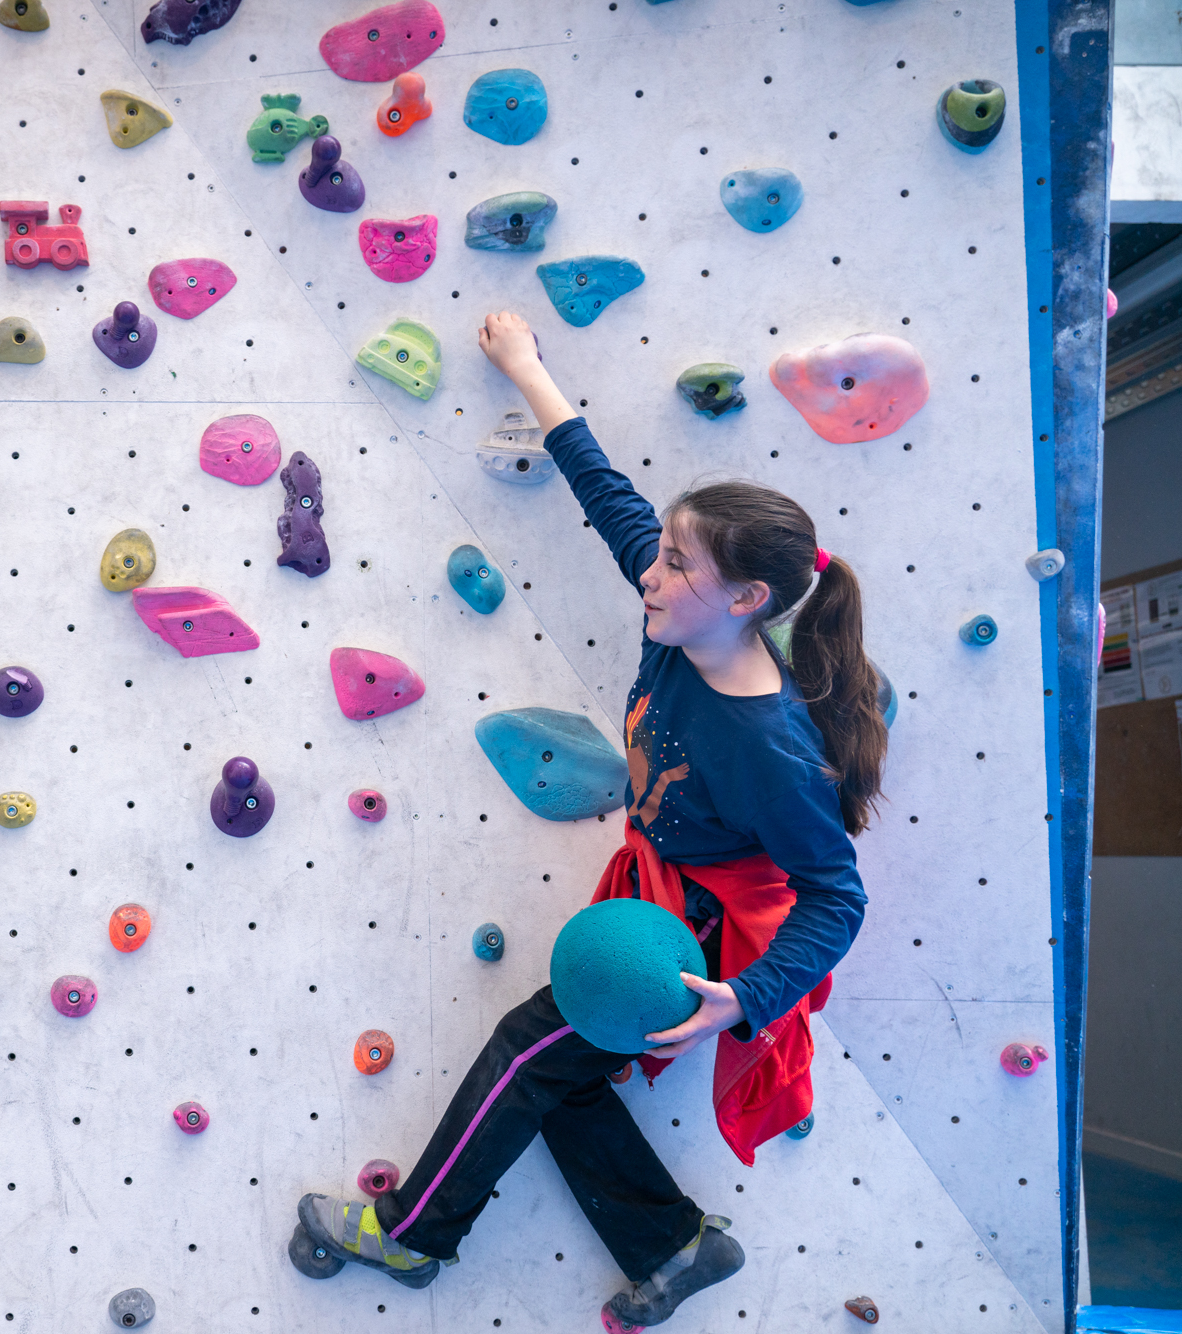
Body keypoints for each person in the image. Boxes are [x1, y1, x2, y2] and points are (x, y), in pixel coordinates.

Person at [289, 308, 886, 1332]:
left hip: (694, 931)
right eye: (659, 553)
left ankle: (411, 1231)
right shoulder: (676, 619)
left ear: (744, 597)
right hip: (652, 886)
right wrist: (527, 368)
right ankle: (671, 1242)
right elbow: (603, 491)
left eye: (676, 564)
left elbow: (835, 893)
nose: (650, 572)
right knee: (559, 1071)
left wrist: (739, 998)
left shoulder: (767, 742)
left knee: (527, 1045)